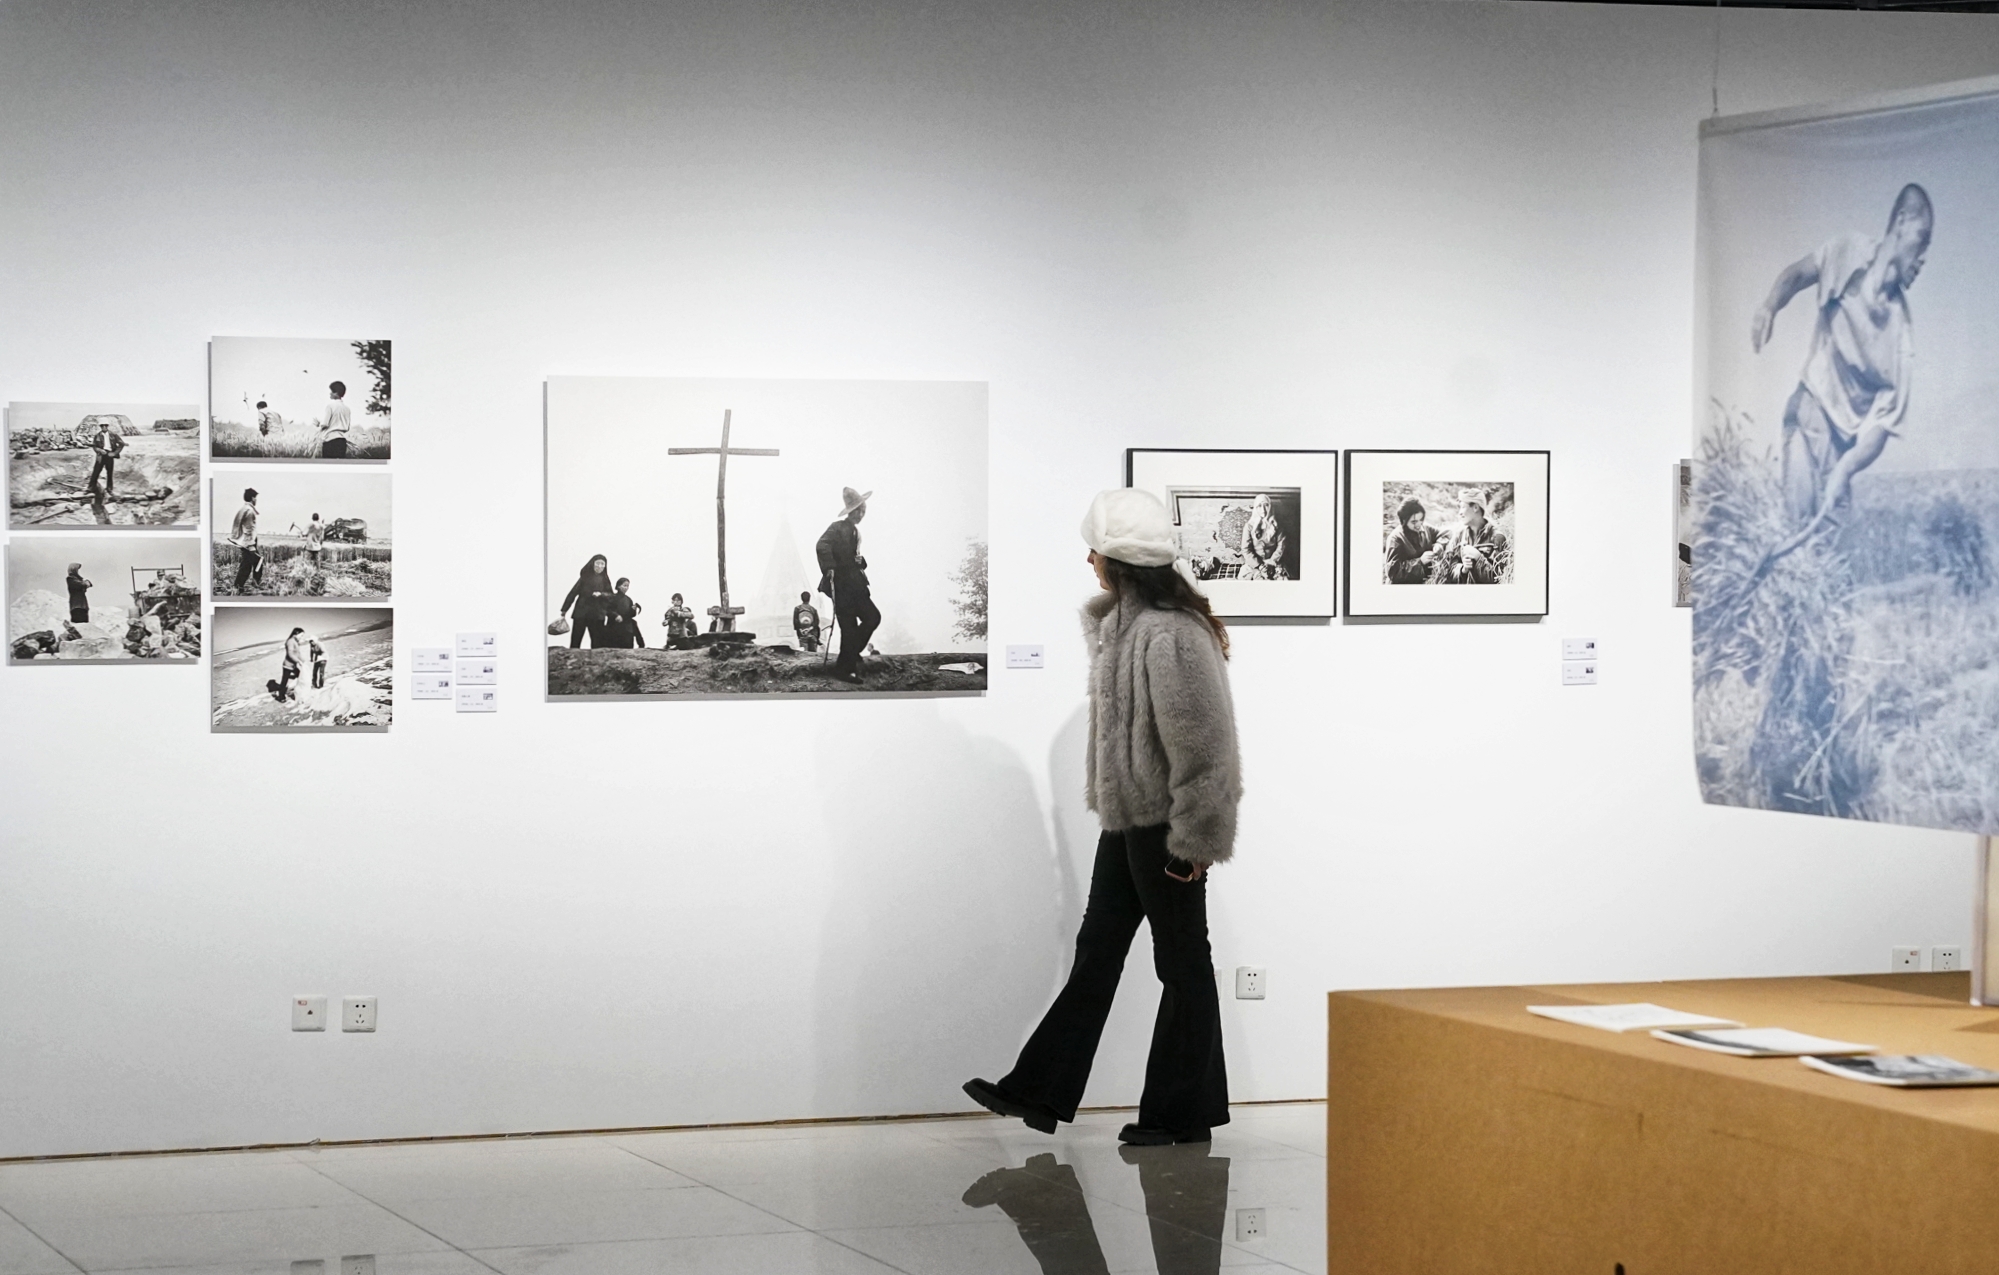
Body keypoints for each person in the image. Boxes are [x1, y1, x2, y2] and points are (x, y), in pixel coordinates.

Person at [965, 488, 1241, 1148]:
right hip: (1128, 822)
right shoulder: (1126, 628)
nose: (1087, 559)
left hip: (1166, 825)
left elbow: (1206, 745)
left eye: (1096, 550)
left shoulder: (1172, 634)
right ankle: (1039, 1088)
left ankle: (1182, 1111)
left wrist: (1196, 839)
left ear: (1120, 560)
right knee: (1098, 951)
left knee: (1182, 962)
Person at [1755, 183, 1933, 553]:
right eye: (1923, 238)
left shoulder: (1901, 333)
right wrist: (1770, 304)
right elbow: (1797, 275)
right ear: (1901, 222)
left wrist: (1846, 467)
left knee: (1830, 562)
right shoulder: (1848, 252)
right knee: (1796, 546)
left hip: (1843, 446)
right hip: (1809, 413)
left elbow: (1883, 425)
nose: (1924, 256)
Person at [816, 486, 881, 684]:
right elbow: (822, 545)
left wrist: (861, 561)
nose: (861, 514)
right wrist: (830, 567)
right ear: (850, 512)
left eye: (863, 511)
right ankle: (844, 669)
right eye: (857, 511)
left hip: (857, 586)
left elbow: (854, 558)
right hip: (841, 586)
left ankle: (850, 654)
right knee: (849, 626)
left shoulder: (856, 533)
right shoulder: (837, 527)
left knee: (873, 617)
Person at [1436, 491, 1510, 584]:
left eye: (1463, 507)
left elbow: (1498, 578)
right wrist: (1463, 569)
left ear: (1475, 507)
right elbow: (1448, 573)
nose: (1460, 513)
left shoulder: (1497, 537)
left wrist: (1478, 558)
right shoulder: (1459, 536)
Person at [559, 554, 615, 648]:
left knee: (597, 643)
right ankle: (573, 657)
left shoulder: (605, 580)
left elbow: (611, 596)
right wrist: (564, 609)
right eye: (597, 563)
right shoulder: (584, 578)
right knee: (576, 641)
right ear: (592, 564)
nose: (600, 566)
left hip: (597, 614)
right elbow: (573, 593)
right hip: (581, 613)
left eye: (602, 564)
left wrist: (601, 594)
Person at [1384, 497, 1442, 584]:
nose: (1418, 525)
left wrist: (1439, 544)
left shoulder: (1425, 528)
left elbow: (1445, 534)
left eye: (1421, 520)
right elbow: (1392, 572)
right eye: (1414, 522)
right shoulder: (1395, 539)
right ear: (1404, 521)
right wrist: (1420, 562)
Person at [1238, 493, 1288, 580]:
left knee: (1282, 580)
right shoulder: (1249, 526)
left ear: (1270, 507)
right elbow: (1246, 549)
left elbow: (1281, 546)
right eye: (1259, 506)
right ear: (1255, 508)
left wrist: (1272, 562)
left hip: (1273, 562)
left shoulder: (1277, 526)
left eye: (1266, 505)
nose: (1263, 510)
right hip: (1255, 563)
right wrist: (1260, 566)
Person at [229, 488, 262, 593]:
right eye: (255, 498)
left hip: (245, 541)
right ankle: (238, 586)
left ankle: (252, 583)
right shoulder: (249, 511)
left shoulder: (244, 509)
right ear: (252, 498)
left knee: (255, 562)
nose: (256, 500)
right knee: (248, 565)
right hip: (248, 542)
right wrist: (251, 545)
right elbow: (248, 529)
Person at [603, 577, 646, 648]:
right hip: (614, 627)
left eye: (627, 586)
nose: (626, 588)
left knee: (627, 648)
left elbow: (632, 615)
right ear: (618, 586)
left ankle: (642, 646)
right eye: (624, 585)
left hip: (626, 628)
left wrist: (633, 610)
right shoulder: (612, 597)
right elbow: (607, 610)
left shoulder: (629, 600)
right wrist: (616, 615)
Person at [85, 418, 121, 499]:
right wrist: (100, 450)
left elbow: (121, 444)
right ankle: (91, 488)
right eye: (102, 426)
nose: (104, 427)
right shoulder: (97, 436)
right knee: (96, 471)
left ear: (108, 426)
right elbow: (94, 446)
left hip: (109, 455)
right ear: (100, 426)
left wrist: (114, 453)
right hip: (101, 456)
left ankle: (109, 489)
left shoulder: (113, 435)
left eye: (105, 425)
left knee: (109, 473)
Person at [317, 380, 353, 459]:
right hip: (342, 441)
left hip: (330, 440)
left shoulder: (330, 406)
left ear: (336, 393)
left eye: (331, 392)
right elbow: (347, 427)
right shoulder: (347, 409)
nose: (330, 393)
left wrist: (319, 424)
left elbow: (325, 424)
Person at [280, 627, 307, 702]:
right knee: (284, 681)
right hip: (287, 665)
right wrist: (298, 661)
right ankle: (281, 696)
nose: (302, 637)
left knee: (300, 676)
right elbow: (290, 654)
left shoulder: (295, 641)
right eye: (301, 635)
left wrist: (303, 661)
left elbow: (297, 653)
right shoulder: (290, 641)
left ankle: (298, 691)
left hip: (293, 665)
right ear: (296, 633)